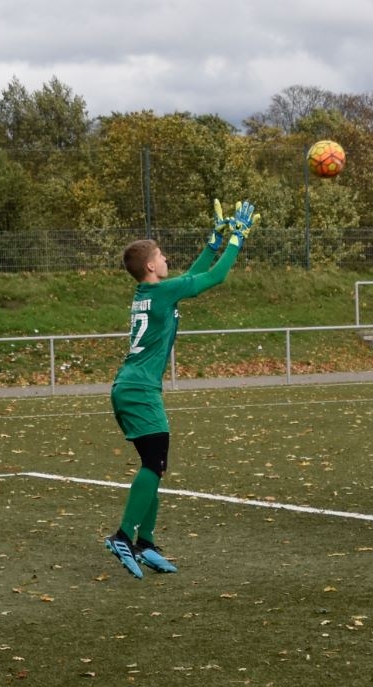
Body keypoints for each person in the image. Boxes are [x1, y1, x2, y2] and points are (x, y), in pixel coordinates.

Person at [105, 199, 257, 579]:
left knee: (153, 465)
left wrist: (211, 244)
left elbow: (188, 280)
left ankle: (146, 541)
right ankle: (124, 536)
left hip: (132, 386)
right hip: (138, 389)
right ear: (151, 266)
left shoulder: (153, 292)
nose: (166, 258)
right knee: (154, 463)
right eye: (161, 255)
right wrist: (236, 240)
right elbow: (212, 279)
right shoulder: (160, 293)